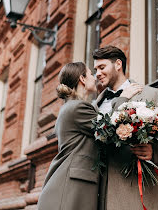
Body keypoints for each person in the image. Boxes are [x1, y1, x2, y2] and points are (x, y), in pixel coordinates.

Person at [37, 62, 142, 210]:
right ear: (82, 79)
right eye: (91, 74)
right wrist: (123, 98)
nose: (95, 77)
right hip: (71, 186)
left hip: (73, 183)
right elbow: (108, 130)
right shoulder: (78, 107)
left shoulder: (72, 106)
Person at [93, 46, 158, 210]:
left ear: (118, 64)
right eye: (95, 70)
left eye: (102, 67)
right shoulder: (95, 105)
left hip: (137, 190)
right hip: (100, 191)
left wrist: (154, 151)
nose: (97, 74)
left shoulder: (151, 95)